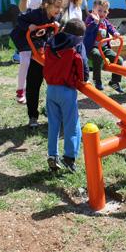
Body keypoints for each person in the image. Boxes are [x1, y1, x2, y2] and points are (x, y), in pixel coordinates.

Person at [9, 0, 66, 127]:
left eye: (61, 7)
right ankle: (33, 116)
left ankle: (56, 113)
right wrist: (29, 26)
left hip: (43, 49)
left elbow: (53, 32)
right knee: (33, 84)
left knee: (54, 83)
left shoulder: (55, 16)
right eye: (57, 7)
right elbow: (20, 18)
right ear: (46, 4)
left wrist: (57, 26)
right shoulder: (35, 14)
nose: (59, 10)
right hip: (28, 46)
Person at [43, 18, 89, 172]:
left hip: (50, 89)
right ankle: (69, 157)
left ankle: (52, 155)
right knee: (72, 123)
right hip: (66, 90)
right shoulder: (76, 45)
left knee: (53, 124)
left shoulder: (51, 43)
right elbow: (81, 63)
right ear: (80, 36)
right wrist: (83, 79)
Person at [83, 0, 125, 93]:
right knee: (97, 56)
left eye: (105, 11)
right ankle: (97, 80)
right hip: (92, 47)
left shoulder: (105, 21)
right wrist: (95, 23)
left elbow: (110, 27)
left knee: (119, 59)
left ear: (108, 12)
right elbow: (88, 30)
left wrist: (115, 33)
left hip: (104, 47)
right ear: (93, 10)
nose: (102, 14)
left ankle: (114, 81)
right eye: (99, 11)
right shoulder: (90, 20)